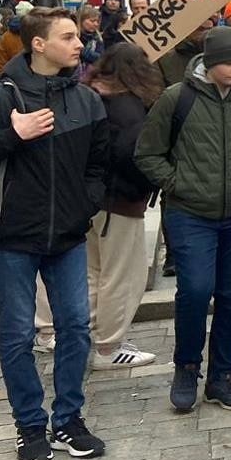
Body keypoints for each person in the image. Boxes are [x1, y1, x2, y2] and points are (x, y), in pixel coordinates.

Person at [0, 7, 111, 460]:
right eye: (69, 37)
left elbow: (99, 165)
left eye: (78, 36)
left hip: (68, 235)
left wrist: (85, 204)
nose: (79, 45)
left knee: (76, 326)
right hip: (11, 236)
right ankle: (30, 426)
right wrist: (11, 135)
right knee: (18, 334)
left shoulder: (86, 100)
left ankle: (69, 421)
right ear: (39, 44)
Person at [135, 27, 231, 414]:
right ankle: (186, 367)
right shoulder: (176, 98)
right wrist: (178, 183)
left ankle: (222, 377)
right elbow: (147, 153)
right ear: (210, 62)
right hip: (190, 213)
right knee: (195, 290)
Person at [84, 45, 163, 370]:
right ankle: (109, 347)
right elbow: (134, 155)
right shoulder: (128, 105)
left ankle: (88, 337)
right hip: (120, 199)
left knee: (93, 273)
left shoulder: (90, 95)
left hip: (90, 198)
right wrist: (147, 185)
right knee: (122, 275)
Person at [159, 15, 216, 87]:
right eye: (201, 29)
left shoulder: (220, 53)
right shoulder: (165, 59)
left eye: (209, 30)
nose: (206, 34)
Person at [75, 5, 104, 78]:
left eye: (97, 21)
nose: (96, 24)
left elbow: (100, 58)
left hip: (91, 76)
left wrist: (82, 52)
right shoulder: (74, 37)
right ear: (81, 20)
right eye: (92, 21)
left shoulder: (98, 38)